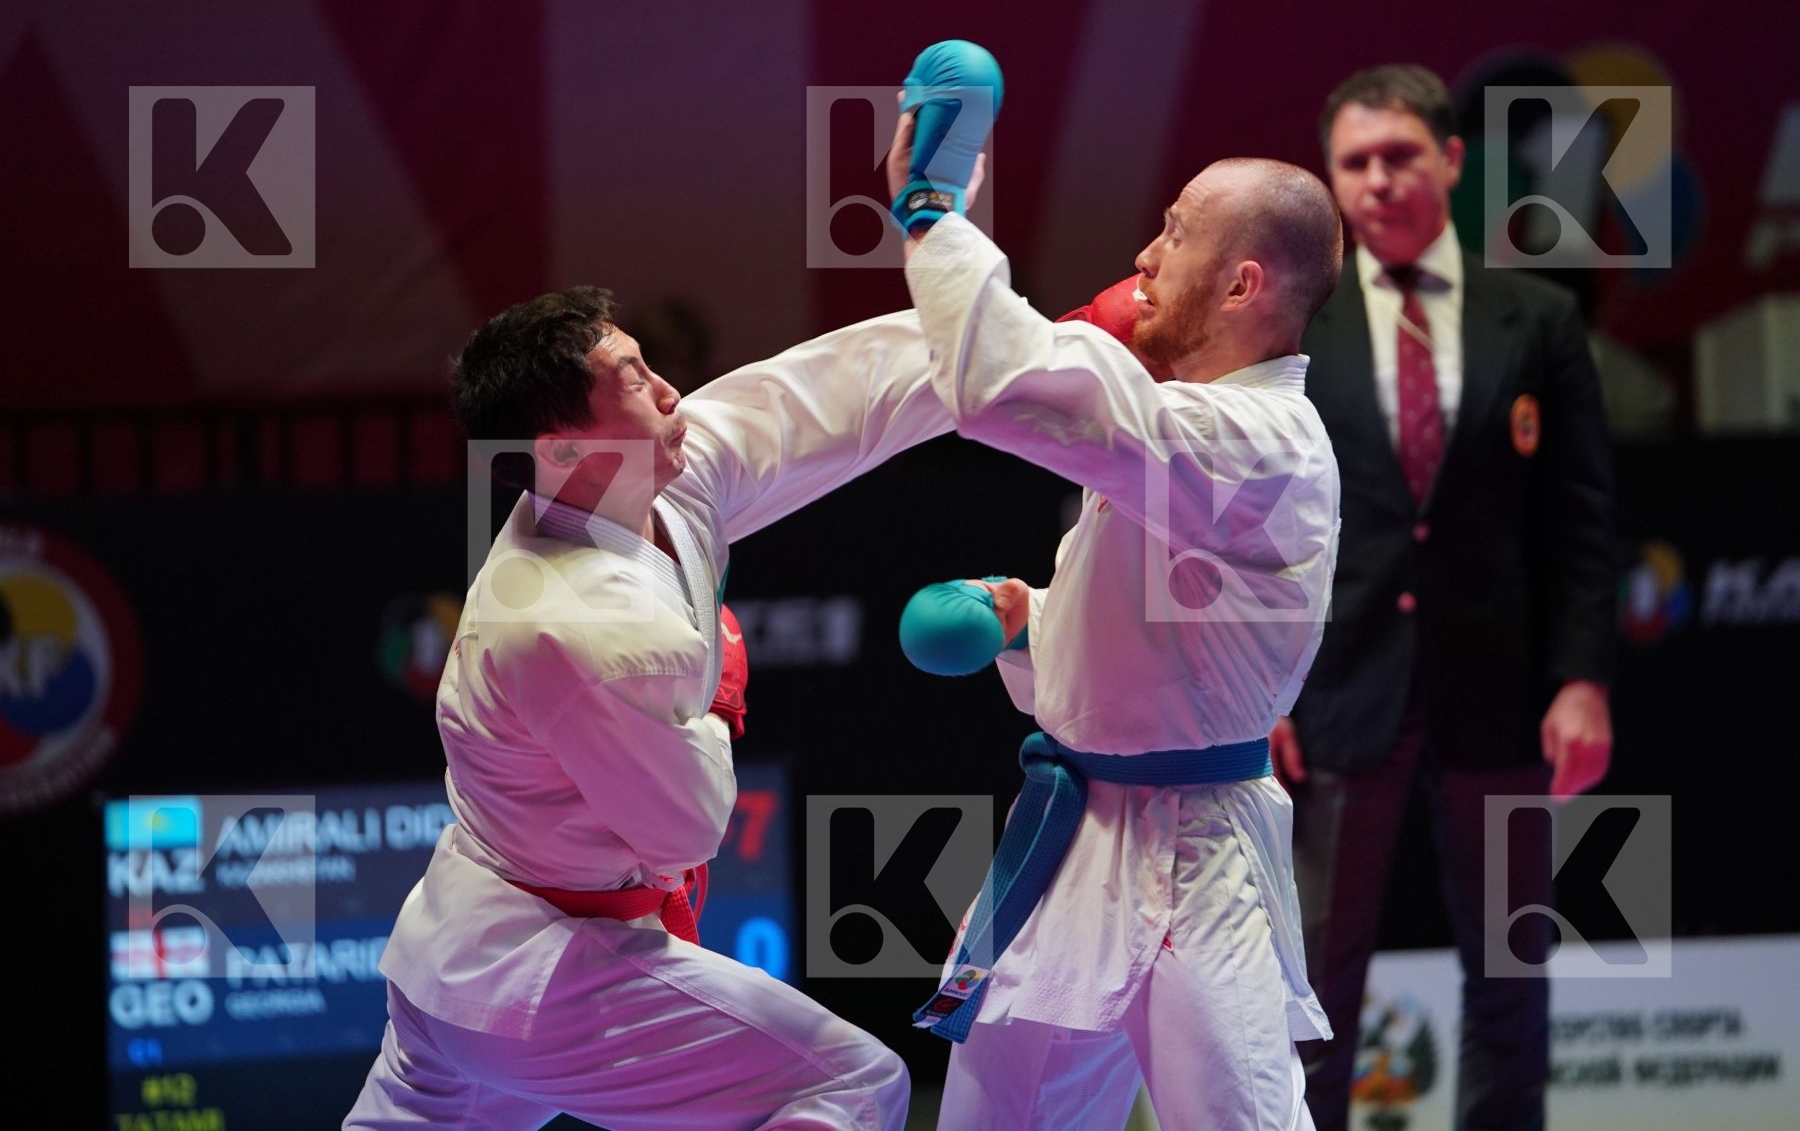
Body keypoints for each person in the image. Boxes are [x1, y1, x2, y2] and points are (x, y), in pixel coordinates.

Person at [344, 284, 956, 1129]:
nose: (671, 392)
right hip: (540, 971)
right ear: (563, 449)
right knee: (851, 1085)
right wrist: (719, 700)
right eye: (632, 379)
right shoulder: (572, 623)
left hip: (459, 958)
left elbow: (824, 401)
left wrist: (1036, 346)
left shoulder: (650, 481)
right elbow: (686, 829)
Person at [892, 106, 1347, 1127]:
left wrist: (932, 211)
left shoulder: (1257, 440)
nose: (1146, 250)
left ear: (1241, 283)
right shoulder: (1188, 421)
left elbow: (1000, 385)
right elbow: (1157, 638)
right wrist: (1027, 619)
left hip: (1201, 856)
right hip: (1075, 839)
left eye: (1178, 230)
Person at [1276, 64, 1617, 1131]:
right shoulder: (1293, 319)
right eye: (1355, 163)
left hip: (1506, 695)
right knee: (1312, 990)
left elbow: (1580, 519)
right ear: (1331, 178)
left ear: (1452, 159)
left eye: (1400, 156)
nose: (1378, 181)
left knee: (1513, 977)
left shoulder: (1541, 319)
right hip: (1335, 695)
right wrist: (1260, 689)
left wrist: (1583, 681)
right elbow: (1245, 524)